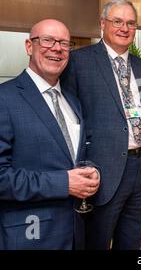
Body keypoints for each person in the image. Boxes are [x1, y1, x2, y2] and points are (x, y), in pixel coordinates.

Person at [61, 0, 141, 250]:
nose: (124, 28)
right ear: (102, 23)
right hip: (101, 169)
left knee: (130, 242)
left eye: (130, 23)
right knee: (96, 241)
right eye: (117, 21)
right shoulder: (78, 62)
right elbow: (67, 118)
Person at [0, 19, 100, 250]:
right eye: (47, 40)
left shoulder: (72, 101)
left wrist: (92, 170)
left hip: (75, 230)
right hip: (29, 234)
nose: (57, 48)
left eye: (64, 43)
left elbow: (76, 153)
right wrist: (64, 183)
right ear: (29, 46)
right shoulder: (5, 98)